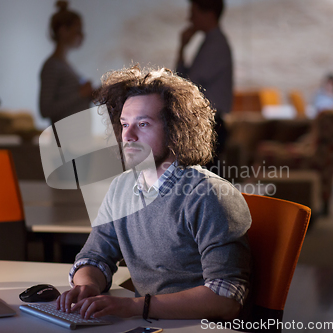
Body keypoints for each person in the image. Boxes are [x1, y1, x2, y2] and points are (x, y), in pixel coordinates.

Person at [56, 66, 252, 321]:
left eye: (143, 124)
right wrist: (87, 286)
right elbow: (95, 256)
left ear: (176, 130)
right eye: (125, 124)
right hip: (147, 322)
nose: (128, 135)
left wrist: (133, 307)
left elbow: (226, 299)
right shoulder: (121, 188)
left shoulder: (209, 195)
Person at [175, 0, 233, 172]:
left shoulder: (215, 45)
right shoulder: (211, 42)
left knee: (205, 180)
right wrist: (182, 47)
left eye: (194, 13)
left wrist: (182, 46)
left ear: (209, 14)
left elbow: (185, 84)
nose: (190, 18)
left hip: (210, 121)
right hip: (210, 120)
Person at [39, 1, 94, 124]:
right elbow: (45, 110)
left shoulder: (65, 65)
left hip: (73, 139)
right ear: (63, 31)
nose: (82, 35)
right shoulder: (52, 66)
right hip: (64, 141)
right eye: (78, 30)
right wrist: (80, 94)